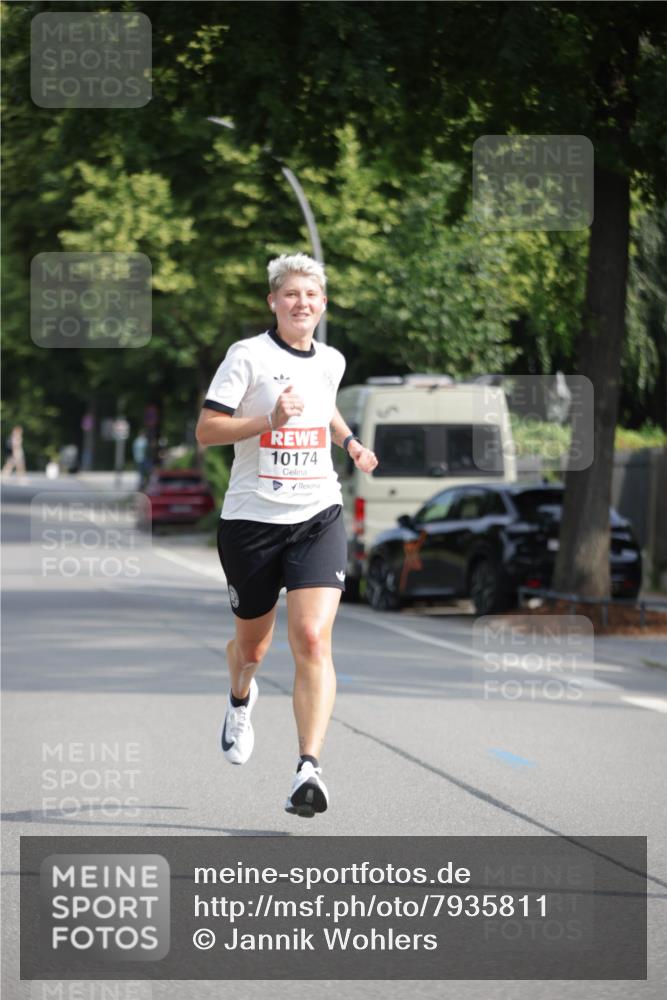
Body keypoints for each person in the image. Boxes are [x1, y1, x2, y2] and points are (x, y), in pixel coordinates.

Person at [195, 253, 378, 817]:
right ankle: (239, 697)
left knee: (314, 640)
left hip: (317, 513)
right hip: (252, 521)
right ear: (273, 301)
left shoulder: (332, 360)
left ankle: (308, 769)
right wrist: (268, 421)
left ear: (323, 305)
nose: (303, 303)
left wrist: (349, 443)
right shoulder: (246, 356)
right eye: (292, 294)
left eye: (312, 296)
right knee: (253, 647)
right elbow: (207, 430)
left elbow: (325, 410)